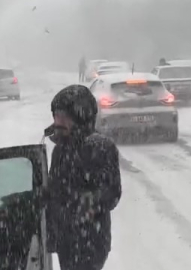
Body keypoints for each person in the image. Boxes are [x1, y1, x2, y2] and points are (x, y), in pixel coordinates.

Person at [44, 84, 122, 270]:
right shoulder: (60, 150)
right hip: (66, 240)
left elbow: (111, 193)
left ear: (81, 117)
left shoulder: (99, 147)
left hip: (89, 241)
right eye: (56, 115)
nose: (58, 121)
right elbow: (54, 189)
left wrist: (79, 207)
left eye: (64, 116)